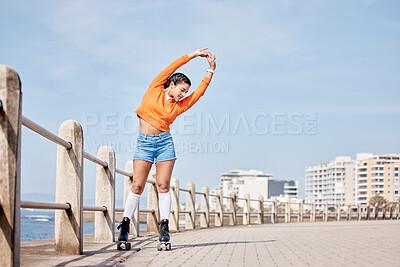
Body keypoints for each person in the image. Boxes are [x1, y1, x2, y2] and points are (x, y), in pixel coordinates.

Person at [117, 48, 216, 245]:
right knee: (137, 185)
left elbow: (199, 94)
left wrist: (210, 71)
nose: (183, 94)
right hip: (144, 144)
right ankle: (125, 226)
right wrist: (193, 55)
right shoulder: (155, 88)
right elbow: (173, 66)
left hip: (164, 145)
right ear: (171, 84)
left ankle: (164, 228)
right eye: (182, 90)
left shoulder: (178, 106)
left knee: (163, 186)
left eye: (185, 92)